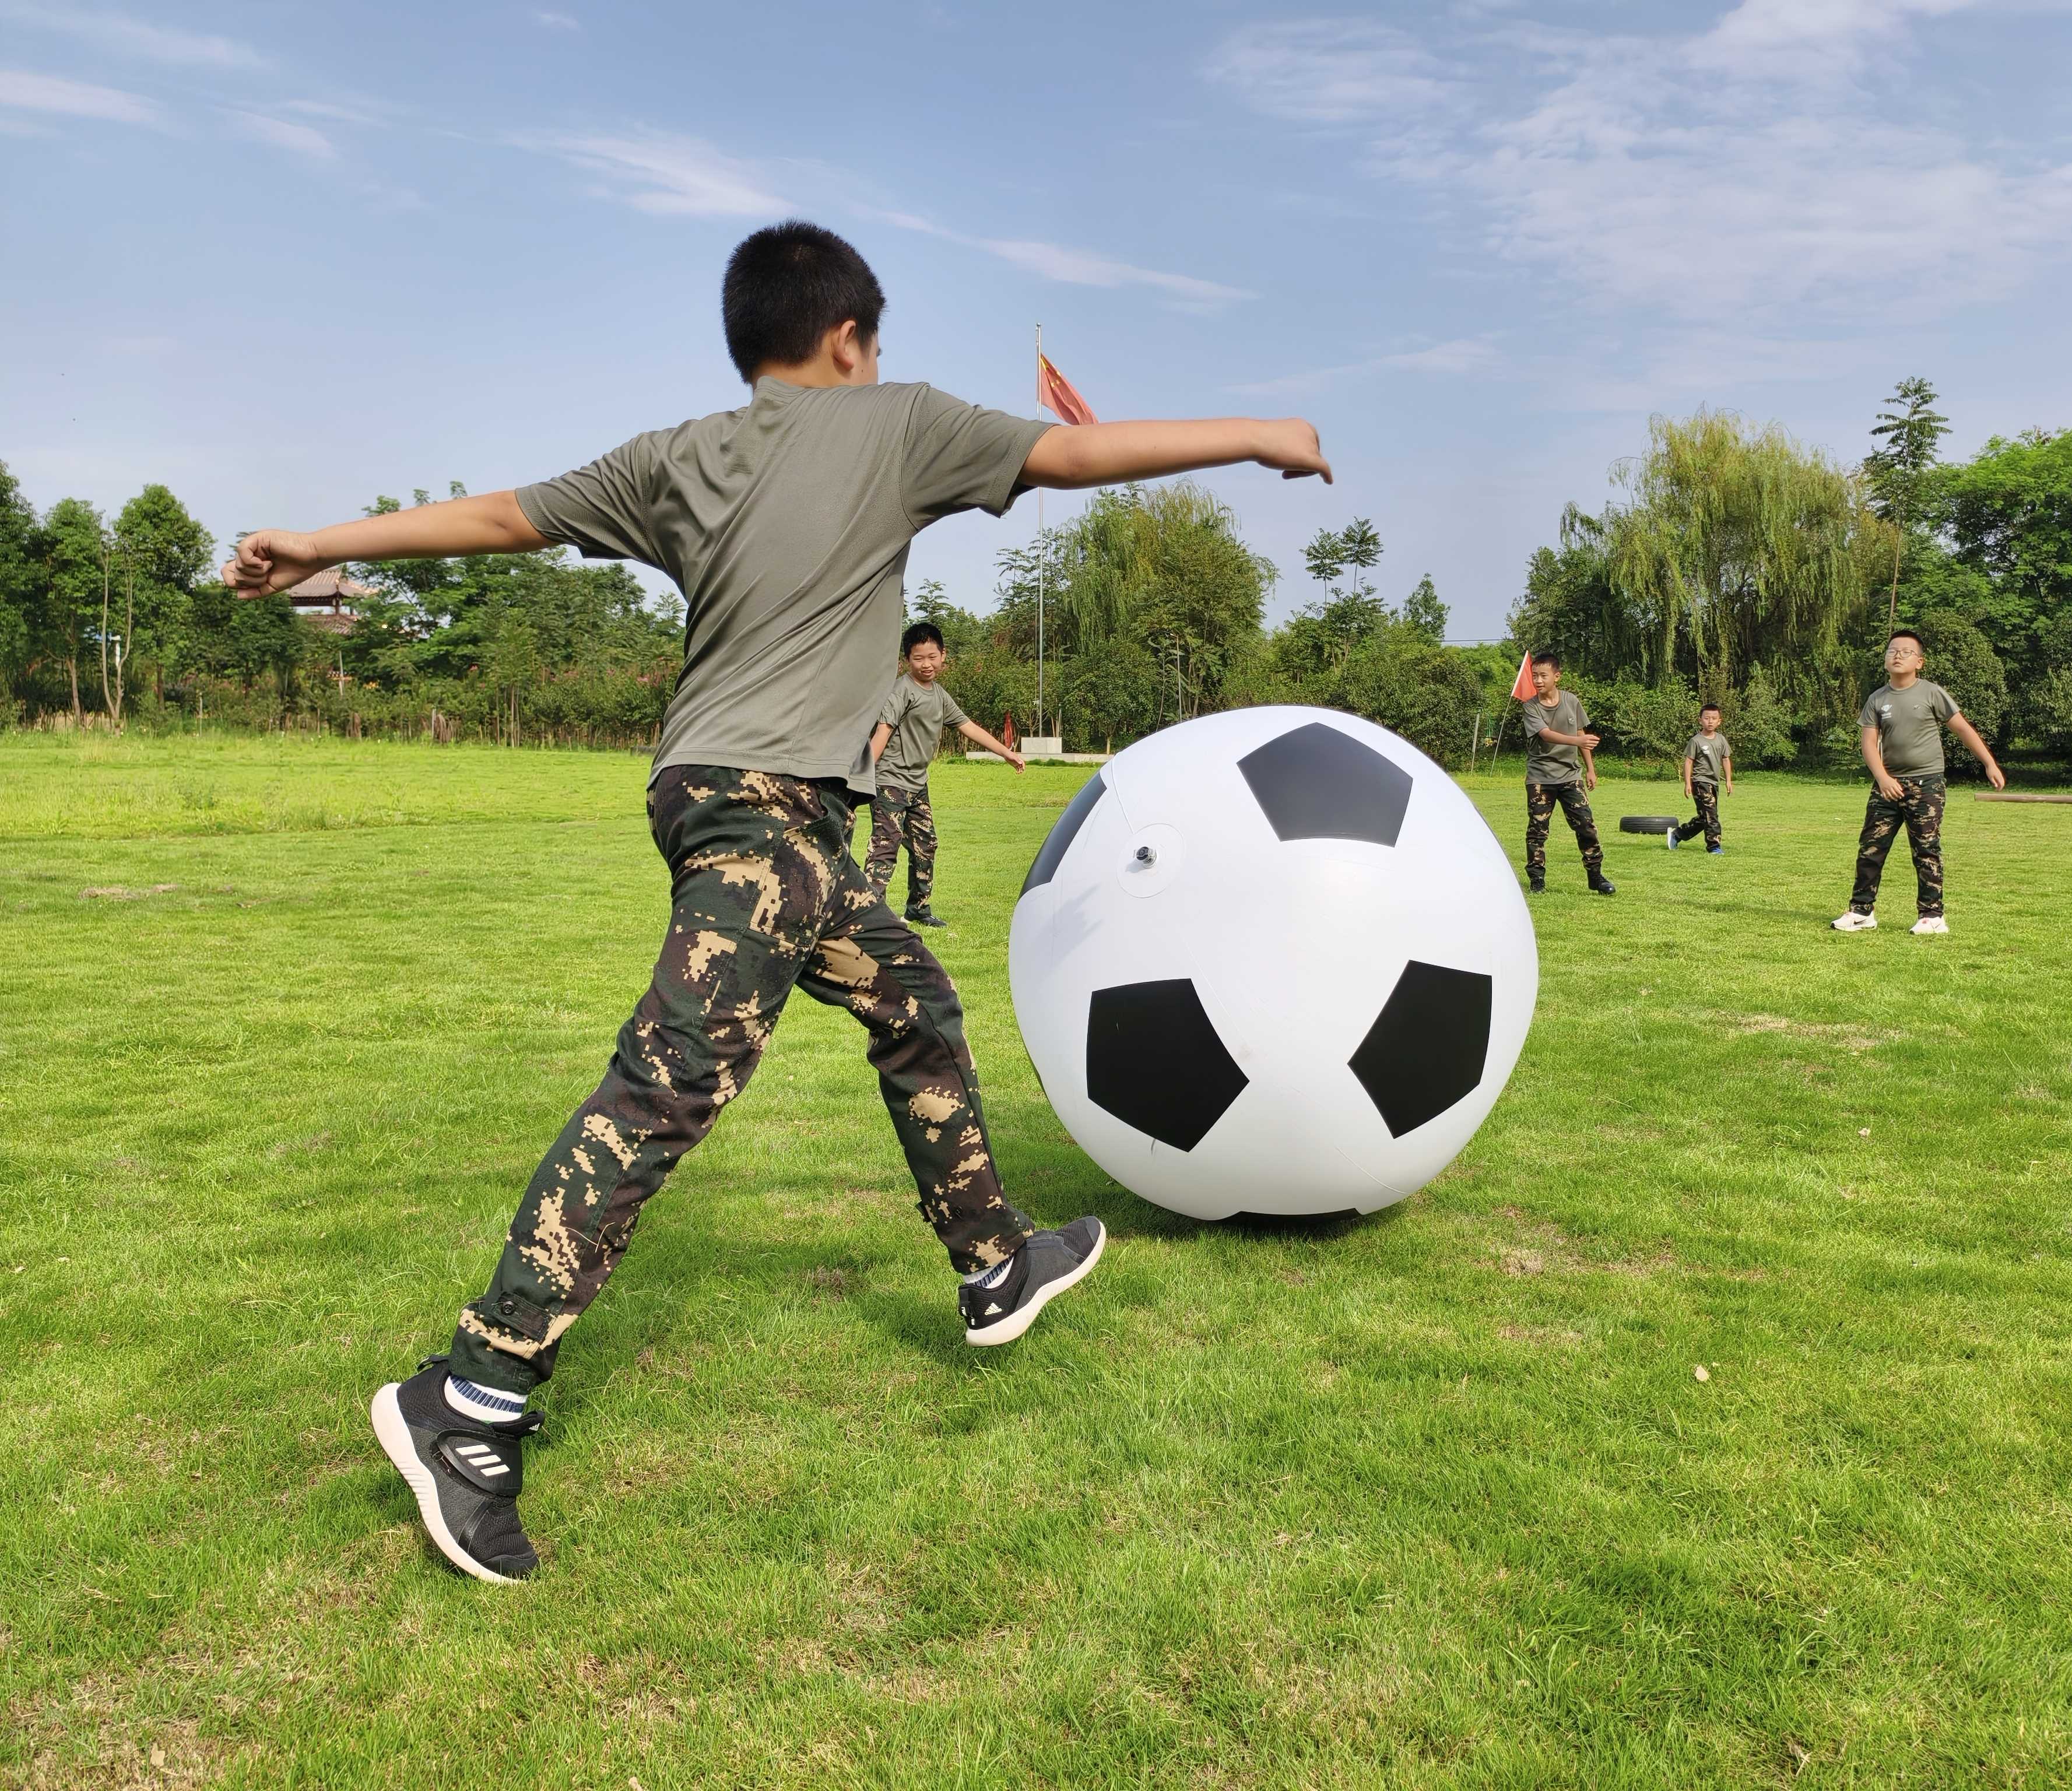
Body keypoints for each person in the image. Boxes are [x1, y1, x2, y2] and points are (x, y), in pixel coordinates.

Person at [221, 220, 1333, 1583]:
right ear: (850, 338)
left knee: (912, 999)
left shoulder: (675, 456)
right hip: (766, 814)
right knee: (669, 1083)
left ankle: (993, 1259)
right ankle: (472, 1395)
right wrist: (1259, 433)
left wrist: (318, 542)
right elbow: (1071, 454)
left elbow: (502, 519)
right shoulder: (897, 423)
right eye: (876, 342)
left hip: (724, 794)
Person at [1831, 628, 2005, 936]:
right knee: (1871, 848)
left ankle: (1932, 916)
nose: (1898, 656)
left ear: (1920, 662)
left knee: (1926, 849)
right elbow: (1868, 744)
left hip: (1927, 785)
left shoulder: (1931, 693)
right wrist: (1883, 778)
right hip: (1887, 786)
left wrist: (1989, 763)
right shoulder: (1877, 699)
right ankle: (1861, 912)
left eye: (1906, 652)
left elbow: (1963, 729)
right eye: (1892, 651)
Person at [865, 619, 1023, 928]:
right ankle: (869, 915)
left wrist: (1006, 753)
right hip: (890, 784)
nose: (926, 664)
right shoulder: (901, 691)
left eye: (932, 657)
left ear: (943, 656)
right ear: (906, 660)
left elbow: (969, 727)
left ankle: (918, 909)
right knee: (885, 847)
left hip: (917, 785)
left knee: (926, 844)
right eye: (918, 658)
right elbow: (882, 732)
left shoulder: (938, 695)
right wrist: (862, 776)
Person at [1515, 649, 1614, 896]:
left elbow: (1582, 735)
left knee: (1586, 826)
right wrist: (1577, 742)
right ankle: (1537, 879)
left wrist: (1590, 769)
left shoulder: (1571, 701)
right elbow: (1546, 735)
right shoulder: (1531, 707)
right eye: (1535, 676)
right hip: (1540, 778)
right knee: (1538, 831)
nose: (1538, 680)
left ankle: (1596, 877)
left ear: (1557, 676)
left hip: (1571, 776)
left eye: (1543, 676)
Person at [1677, 703, 1732, 853]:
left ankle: (1678, 834)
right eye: (1707, 718)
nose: (1710, 721)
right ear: (1700, 720)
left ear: (1719, 721)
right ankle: (1714, 847)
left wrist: (1728, 780)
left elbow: (1726, 759)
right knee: (1712, 815)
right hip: (1700, 782)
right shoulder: (1696, 741)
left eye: (1714, 718)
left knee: (1705, 817)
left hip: (1714, 782)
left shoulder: (1721, 740)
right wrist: (1688, 783)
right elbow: (1689, 762)